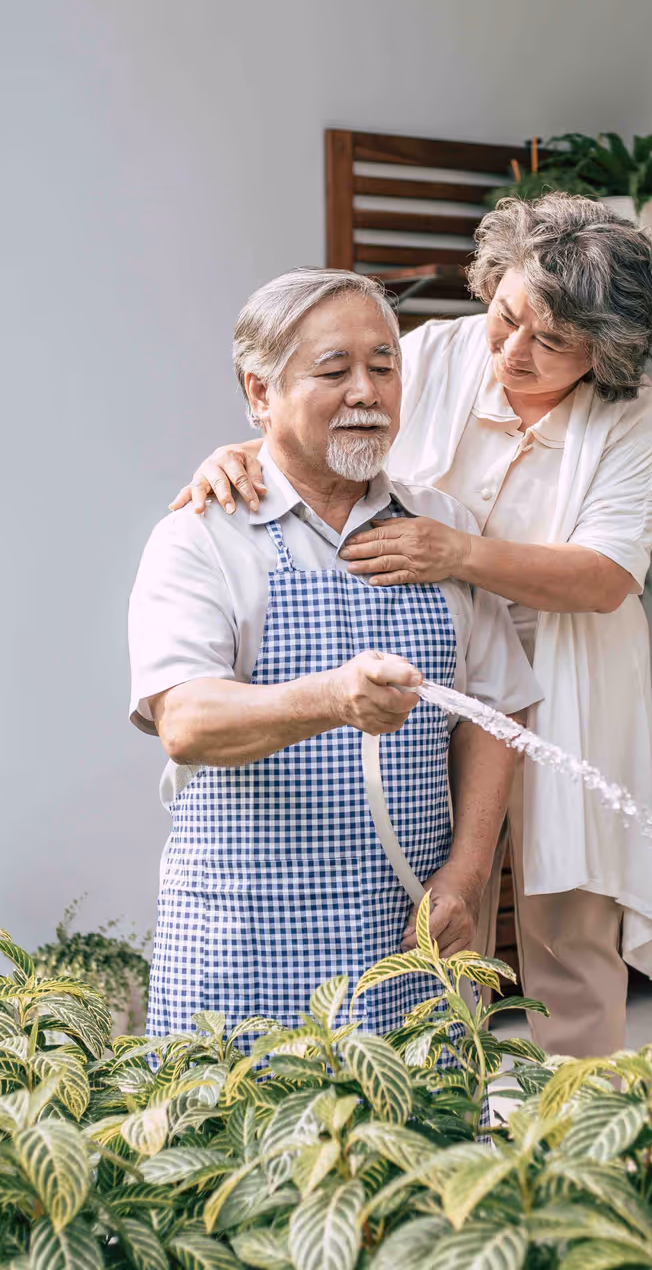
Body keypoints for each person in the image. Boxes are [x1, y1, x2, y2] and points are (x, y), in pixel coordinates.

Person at [170, 195, 652, 1056]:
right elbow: (333, 419)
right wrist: (238, 453)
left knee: (570, 928)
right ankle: (453, 1104)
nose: (512, 351)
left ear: (605, 351)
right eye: (507, 316)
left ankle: (586, 1144)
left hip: (569, 673)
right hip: (437, 660)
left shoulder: (632, 418)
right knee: (443, 898)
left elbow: (604, 578)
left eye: (550, 342)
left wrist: (459, 552)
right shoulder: (437, 350)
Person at [129, 268, 540, 1038]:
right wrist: (333, 700)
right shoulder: (201, 537)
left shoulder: (441, 525)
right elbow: (185, 720)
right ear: (260, 395)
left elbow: (495, 706)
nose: (367, 392)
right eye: (334, 370)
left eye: (384, 367)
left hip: (410, 942)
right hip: (246, 951)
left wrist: (469, 873)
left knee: (425, 1153)